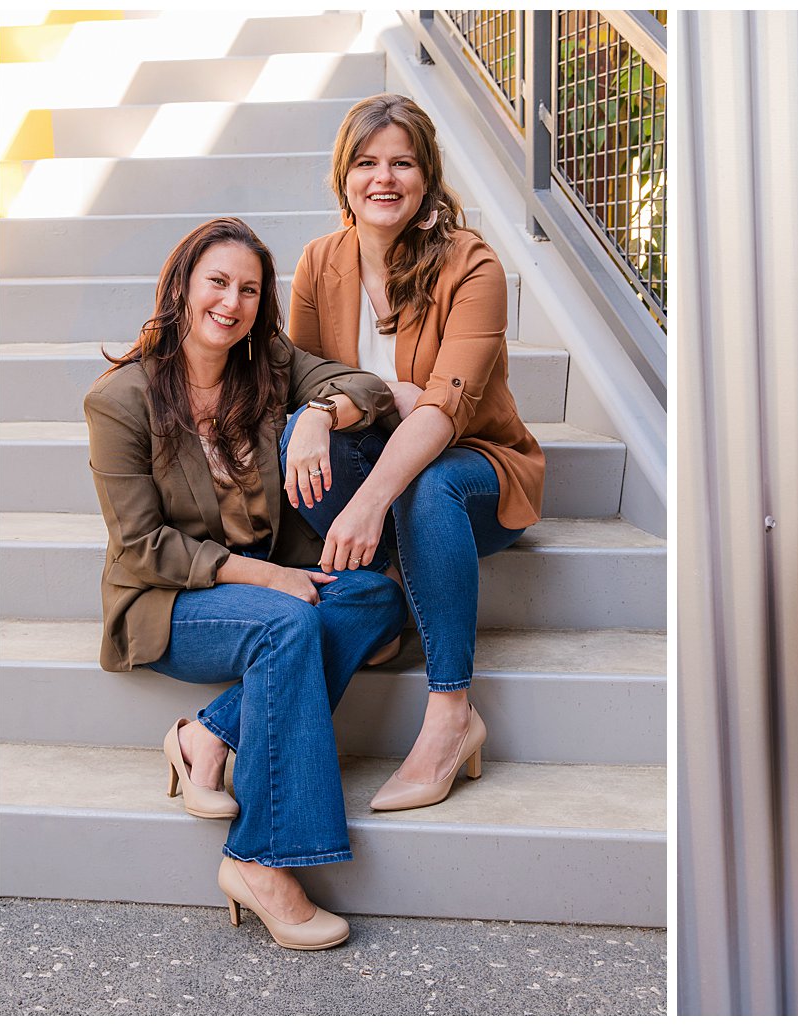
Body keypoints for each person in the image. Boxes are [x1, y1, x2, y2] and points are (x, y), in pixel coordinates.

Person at [85, 216, 404, 951]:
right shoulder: (121, 400)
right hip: (169, 600)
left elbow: (370, 387)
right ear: (182, 289)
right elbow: (139, 545)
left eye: (250, 289)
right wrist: (267, 576)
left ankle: (209, 732)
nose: (232, 303)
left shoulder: (270, 370)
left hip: (263, 594)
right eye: (218, 283)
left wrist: (320, 415)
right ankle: (261, 860)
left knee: (376, 597)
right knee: (284, 623)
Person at [284, 93, 546, 812]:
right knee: (295, 437)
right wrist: (316, 412)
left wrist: (371, 500)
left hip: (479, 470)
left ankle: (452, 713)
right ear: (344, 176)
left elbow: (444, 409)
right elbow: (305, 378)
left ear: (427, 177)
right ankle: (393, 580)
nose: (384, 178)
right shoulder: (318, 263)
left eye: (402, 163)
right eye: (367, 163)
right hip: (378, 464)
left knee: (427, 487)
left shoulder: (474, 265)